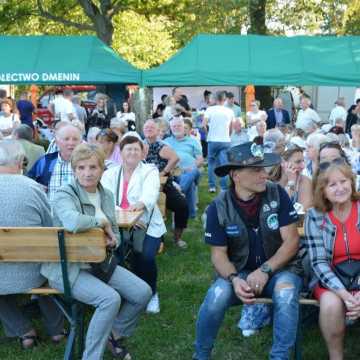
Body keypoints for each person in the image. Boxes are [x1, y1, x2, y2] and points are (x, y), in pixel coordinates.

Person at [41, 143, 151, 359]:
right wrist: (100, 223)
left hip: (99, 262)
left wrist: (113, 242)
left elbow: (117, 236)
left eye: (93, 167)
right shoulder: (65, 193)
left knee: (142, 293)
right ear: (74, 170)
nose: (87, 173)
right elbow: (72, 221)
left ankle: (114, 334)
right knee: (109, 299)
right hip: (66, 268)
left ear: (102, 169)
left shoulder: (106, 195)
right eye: (81, 168)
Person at [194, 141, 302, 360]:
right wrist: (234, 279)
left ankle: (279, 357)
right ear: (236, 175)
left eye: (263, 168)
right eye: (256, 170)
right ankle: (201, 355)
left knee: (286, 293)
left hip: (279, 270)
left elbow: (291, 241)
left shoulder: (277, 193)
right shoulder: (218, 206)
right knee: (217, 295)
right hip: (239, 274)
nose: (264, 174)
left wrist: (265, 269)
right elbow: (218, 254)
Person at [0, 140, 64, 349]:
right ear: (20, 161)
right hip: (35, 272)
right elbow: (50, 228)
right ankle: (56, 330)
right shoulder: (34, 188)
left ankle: (24, 331)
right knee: (47, 264)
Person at [102, 135, 166, 314]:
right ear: (120, 152)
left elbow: (150, 195)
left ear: (142, 152)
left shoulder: (149, 171)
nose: (132, 152)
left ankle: (152, 293)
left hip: (146, 224)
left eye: (136, 149)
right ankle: (126, 293)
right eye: (128, 149)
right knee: (114, 255)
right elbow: (105, 200)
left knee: (145, 256)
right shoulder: (110, 173)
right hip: (117, 223)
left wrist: (136, 213)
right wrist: (125, 216)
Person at [305, 160, 360, 360]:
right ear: (323, 191)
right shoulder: (315, 216)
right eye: (332, 184)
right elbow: (318, 262)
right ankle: (336, 356)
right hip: (331, 277)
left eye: (343, 181)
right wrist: (345, 294)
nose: (340, 188)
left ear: (351, 182)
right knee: (330, 304)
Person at [143, 119, 189, 249]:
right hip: (144, 187)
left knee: (182, 206)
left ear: (158, 131)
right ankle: (156, 239)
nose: (148, 129)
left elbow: (175, 158)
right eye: (146, 128)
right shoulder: (140, 145)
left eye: (151, 128)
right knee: (151, 209)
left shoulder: (161, 145)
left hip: (164, 186)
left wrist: (163, 173)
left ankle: (177, 238)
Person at [27, 123, 82, 203]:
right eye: (66, 139)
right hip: (50, 213)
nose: (71, 143)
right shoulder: (46, 161)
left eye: (75, 139)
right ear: (56, 142)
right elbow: (28, 182)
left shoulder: (87, 162)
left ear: (80, 142)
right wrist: (37, 188)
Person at [164, 117, 203, 218]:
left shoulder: (193, 141)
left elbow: (200, 159)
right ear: (171, 128)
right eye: (174, 126)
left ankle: (180, 190)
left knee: (192, 173)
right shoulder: (166, 142)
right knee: (189, 183)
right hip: (173, 172)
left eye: (179, 126)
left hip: (191, 170)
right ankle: (191, 213)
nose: (176, 128)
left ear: (183, 127)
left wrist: (193, 166)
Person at [203, 91, 234, 193]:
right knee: (224, 164)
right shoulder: (230, 111)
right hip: (225, 140)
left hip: (213, 140)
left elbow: (204, 124)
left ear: (215, 99)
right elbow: (231, 127)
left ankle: (212, 186)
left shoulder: (210, 109)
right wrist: (228, 136)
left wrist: (208, 133)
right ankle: (224, 188)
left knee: (211, 163)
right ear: (224, 100)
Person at [269, 143, 313, 212]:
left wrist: (291, 182)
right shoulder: (269, 183)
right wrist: (291, 182)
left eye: (303, 161)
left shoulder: (304, 181)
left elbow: (299, 213)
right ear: (283, 162)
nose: (303, 166)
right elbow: (276, 211)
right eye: (298, 162)